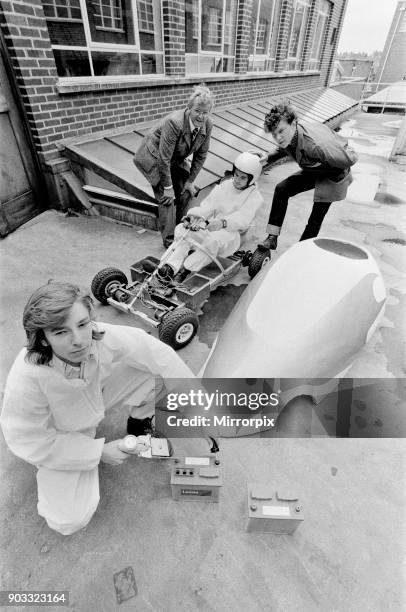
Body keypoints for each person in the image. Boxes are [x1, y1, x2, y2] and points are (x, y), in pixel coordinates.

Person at [0, 281, 196, 536]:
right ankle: (65, 465)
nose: (79, 340)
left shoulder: (97, 335)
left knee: (156, 369)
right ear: (43, 339)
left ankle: (139, 421)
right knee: (68, 519)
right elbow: (29, 441)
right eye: (60, 332)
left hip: (94, 402)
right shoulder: (27, 378)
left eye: (82, 324)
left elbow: (156, 351)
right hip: (63, 434)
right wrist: (98, 452)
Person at [258, 101, 358, 251]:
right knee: (282, 189)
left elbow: (350, 158)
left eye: (281, 131)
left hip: (333, 173)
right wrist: (267, 157)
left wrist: (337, 158)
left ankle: (301, 250)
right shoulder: (291, 135)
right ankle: (272, 237)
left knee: (315, 218)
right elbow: (282, 149)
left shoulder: (317, 147)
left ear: (293, 123)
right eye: (274, 134)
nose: (278, 137)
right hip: (314, 168)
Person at [154, 152, 264, 285]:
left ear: (251, 179)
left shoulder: (255, 197)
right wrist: (192, 216)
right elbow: (207, 206)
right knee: (183, 230)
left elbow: (242, 219)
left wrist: (222, 223)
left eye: (242, 178)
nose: (237, 179)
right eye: (236, 174)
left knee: (212, 241)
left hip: (232, 236)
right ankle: (168, 267)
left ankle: (185, 270)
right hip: (211, 227)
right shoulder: (225, 186)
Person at [133, 84, 214, 248]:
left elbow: (201, 154)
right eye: (197, 111)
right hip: (153, 156)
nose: (201, 116)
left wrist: (190, 181)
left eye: (205, 112)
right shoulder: (174, 122)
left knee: (185, 191)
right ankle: (170, 240)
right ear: (189, 108)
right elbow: (163, 159)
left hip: (175, 158)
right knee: (167, 197)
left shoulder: (207, 124)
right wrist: (168, 186)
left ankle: (181, 230)